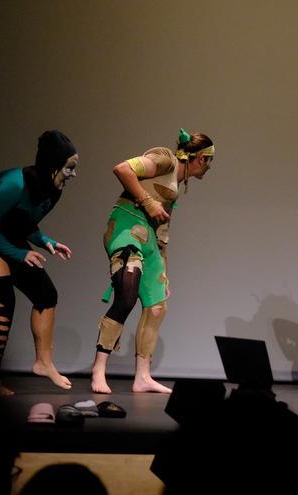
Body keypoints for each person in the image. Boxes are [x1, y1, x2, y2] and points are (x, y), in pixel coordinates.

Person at [0, 130, 77, 396]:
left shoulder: (52, 190)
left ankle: (44, 363)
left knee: (46, 294)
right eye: (69, 168)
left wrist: (45, 240)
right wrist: (20, 254)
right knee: (3, 305)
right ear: (53, 165)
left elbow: (24, 223)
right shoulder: (14, 184)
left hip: (5, 231)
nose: (73, 174)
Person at [91, 128, 214, 394]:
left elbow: (162, 229)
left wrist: (164, 269)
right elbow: (122, 169)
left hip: (149, 241)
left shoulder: (177, 184)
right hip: (126, 230)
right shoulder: (165, 158)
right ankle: (98, 369)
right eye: (209, 161)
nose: (208, 167)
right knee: (126, 296)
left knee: (157, 307)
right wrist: (147, 201)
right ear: (201, 158)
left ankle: (143, 377)